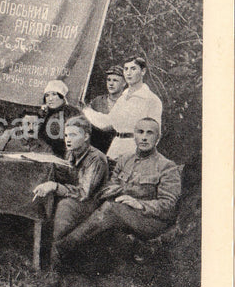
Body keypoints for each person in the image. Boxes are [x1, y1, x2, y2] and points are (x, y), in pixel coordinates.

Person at [53, 118, 181, 265]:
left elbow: (169, 205)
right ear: (134, 135)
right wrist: (120, 191)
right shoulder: (125, 160)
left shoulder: (167, 166)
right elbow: (109, 187)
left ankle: (62, 248)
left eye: (149, 133)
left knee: (109, 208)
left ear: (158, 137)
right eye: (140, 132)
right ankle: (71, 257)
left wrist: (138, 203)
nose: (144, 137)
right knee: (96, 206)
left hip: (150, 221)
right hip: (123, 213)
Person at [32, 116, 108, 264]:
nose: (68, 139)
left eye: (73, 135)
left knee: (64, 206)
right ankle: (41, 254)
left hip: (92, 205)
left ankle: (55, 260)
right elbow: (68, 175)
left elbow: (84, 193)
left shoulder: (96, 159)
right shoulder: (71, 153)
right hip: (76, 198)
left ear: (86, 136)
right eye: (66, 135)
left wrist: (55, 186)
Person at [83, 57, 162, 161]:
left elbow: (155, 133)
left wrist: (143, 156)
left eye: (133, 69)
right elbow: (107, 122)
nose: (128, 73)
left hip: (134, 150)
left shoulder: (151, 99)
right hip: (116, 148)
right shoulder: (123, 98)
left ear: (143, 71)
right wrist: (85, 110)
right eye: (126, 69)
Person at [88, 65, 126, 153]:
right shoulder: (97, 101)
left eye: (115, 80)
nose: (111, 83)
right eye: (109, 80)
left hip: (117, 149)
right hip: (96, 148)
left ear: (124, 83)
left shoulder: (127, 103)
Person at [40, 80, 82, 158]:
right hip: (46, 154)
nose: (50, 99)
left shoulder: (72, 113)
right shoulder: (45, 113)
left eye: (54, 94)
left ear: (62, 96)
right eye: (47, 95)